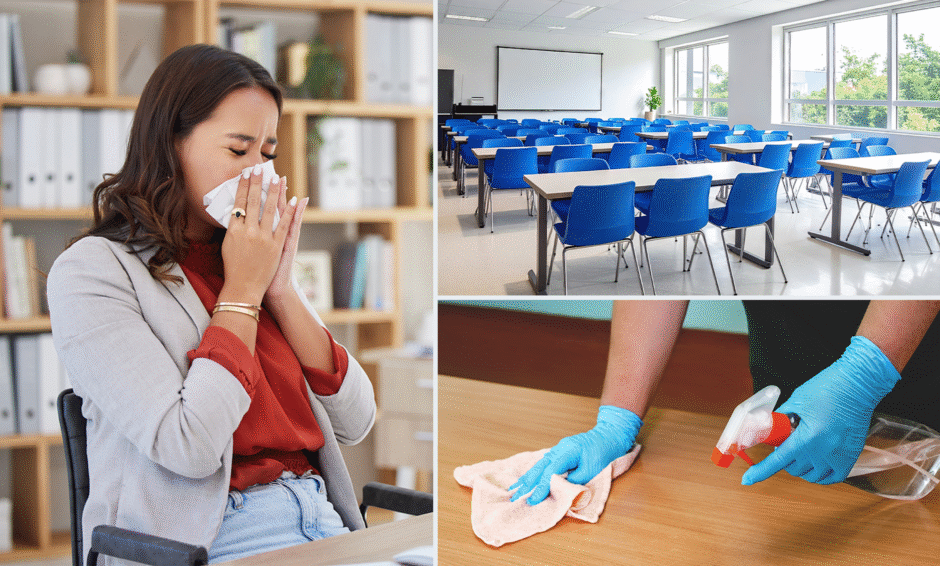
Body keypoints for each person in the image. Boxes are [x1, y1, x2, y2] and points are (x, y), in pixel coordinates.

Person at [46, 44, 376, 565]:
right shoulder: (93, 272)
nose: (257, 175)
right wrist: (242, 292)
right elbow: (189, 446)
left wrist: (280, 291)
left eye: (266, 154)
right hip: (214, 535)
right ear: (169, 143)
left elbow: (357, 419)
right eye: (237, 150)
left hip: (323, 516)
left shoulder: (245, 258)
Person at [510, 300, 940, 505]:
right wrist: (616, 421)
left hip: (921, 410)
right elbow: (664, 264)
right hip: (788, 416)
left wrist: (863, 375)